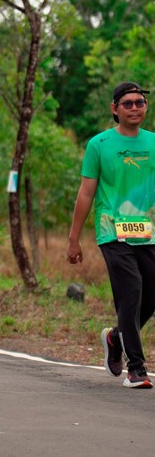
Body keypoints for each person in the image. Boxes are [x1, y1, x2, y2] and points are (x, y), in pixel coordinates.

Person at [67, 81, 154, 389]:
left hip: (148, 231)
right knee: (131, 291)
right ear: (114, 109)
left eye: (139, 102)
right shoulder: (99, 144)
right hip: (112, 230)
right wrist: (74, 238)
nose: (134, 108)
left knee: (150, 293)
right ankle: (136, 368)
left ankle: (116, 337)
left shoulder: (153, 142)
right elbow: (86, 193)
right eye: (127, 103)